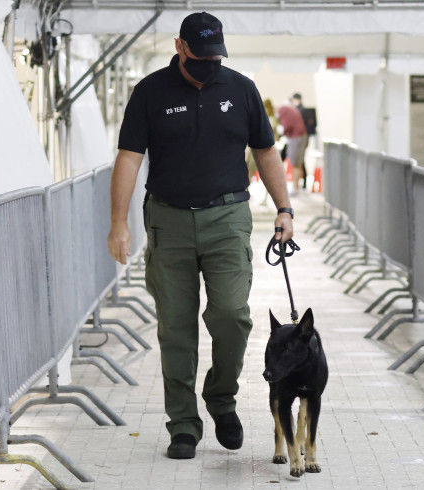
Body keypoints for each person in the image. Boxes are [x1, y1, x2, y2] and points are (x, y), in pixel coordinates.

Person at [107, 11, 294, 461]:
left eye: (216, 58)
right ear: (180, 47)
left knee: (232, 315)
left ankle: (221, 398)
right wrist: (119, 221)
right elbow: (130, 158)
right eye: (200, 57)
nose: (209, 66)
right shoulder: (149, 92)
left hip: (228, 216)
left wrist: (285, 208)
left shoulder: (241, 88)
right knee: (176, 327)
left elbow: (265, 150)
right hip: (168, 220)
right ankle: (184, 424)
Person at [277, 99, 307, 195]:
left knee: (295, 164)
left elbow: (287, 126)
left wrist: (281, 133)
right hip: (301, 136)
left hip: (296, 137)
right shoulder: (290, 109)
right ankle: (298, 187)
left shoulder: (282, 110)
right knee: (298, 163)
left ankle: (295, 188)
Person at [291, 93, 317, 189]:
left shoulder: (299, 111)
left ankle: (300, 184)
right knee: (300, 161)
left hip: (300, 140)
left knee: (298, 162)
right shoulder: (303, 110)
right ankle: (303, 182)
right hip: (304, 139)